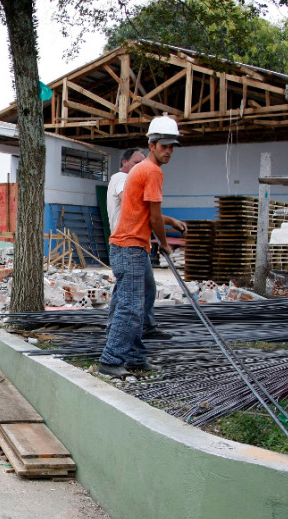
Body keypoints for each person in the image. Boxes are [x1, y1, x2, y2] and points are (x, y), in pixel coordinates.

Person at [98, 116, 186, 378]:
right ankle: (111, 359)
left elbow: (145, 213)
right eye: (164, 146)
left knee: (144, 296)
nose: (168, 151)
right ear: (152, 144)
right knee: (131, 306)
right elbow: (155, 217)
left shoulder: (140, 170)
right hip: (130, 248)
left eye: (172, 146)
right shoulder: (152, 171)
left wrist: (157, 237)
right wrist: (165, 244)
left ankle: (136, 357)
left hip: (133, 247)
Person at [105, 148, 183, 341]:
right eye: (135, 163)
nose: (139, 167)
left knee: (144, 289)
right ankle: (116, 336)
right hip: (128, 244)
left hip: (135, 244)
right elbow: (137, 209)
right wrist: (169, 224)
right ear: (124, 163)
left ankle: (143, 329)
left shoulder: (136, 176)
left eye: (141, 163)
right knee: (129, 301)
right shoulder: (122, 179)